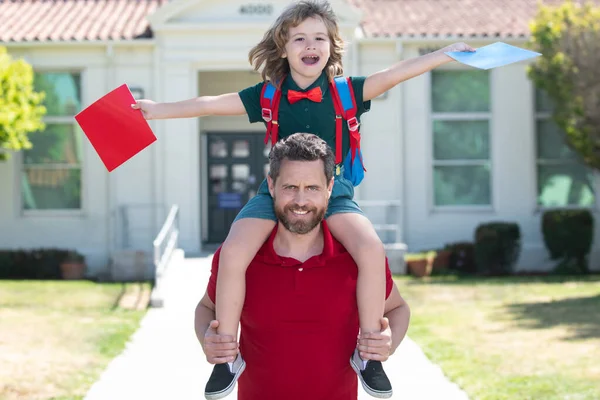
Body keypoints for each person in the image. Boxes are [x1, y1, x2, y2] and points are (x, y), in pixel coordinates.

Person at [132, 1, 473, 397]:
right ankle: (227, 355)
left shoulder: (348, 92)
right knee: (234, 248)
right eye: (299, 38)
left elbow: (395, 74)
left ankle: (369, 356)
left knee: (369, 247)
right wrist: (156, 110)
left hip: (335, 189)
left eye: (319, 38)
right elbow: (208, 104)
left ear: (332, 46)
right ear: (283, 47)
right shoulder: (268, 96)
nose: (310, 45)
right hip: (277, 189)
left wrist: (445, 53)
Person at [195, 133, 411, 400]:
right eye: (290, 187)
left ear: (330, 188)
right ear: (271, 186)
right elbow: (206, 308)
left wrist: (387, 345)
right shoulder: (240, 257)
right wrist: (209, 339)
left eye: (312, 188)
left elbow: (398, 308)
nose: (300, 201)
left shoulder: (356, 259)